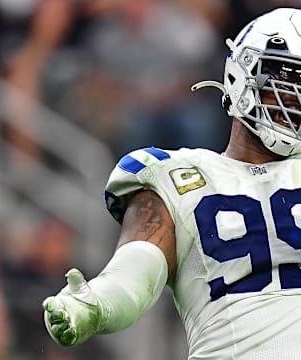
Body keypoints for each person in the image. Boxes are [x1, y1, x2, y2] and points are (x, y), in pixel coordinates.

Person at [43, 7, 301, 359]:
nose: (297, 100)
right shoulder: (182, 176)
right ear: (245, 76)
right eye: (289, 83)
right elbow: (137, 267)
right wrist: (96, 303)